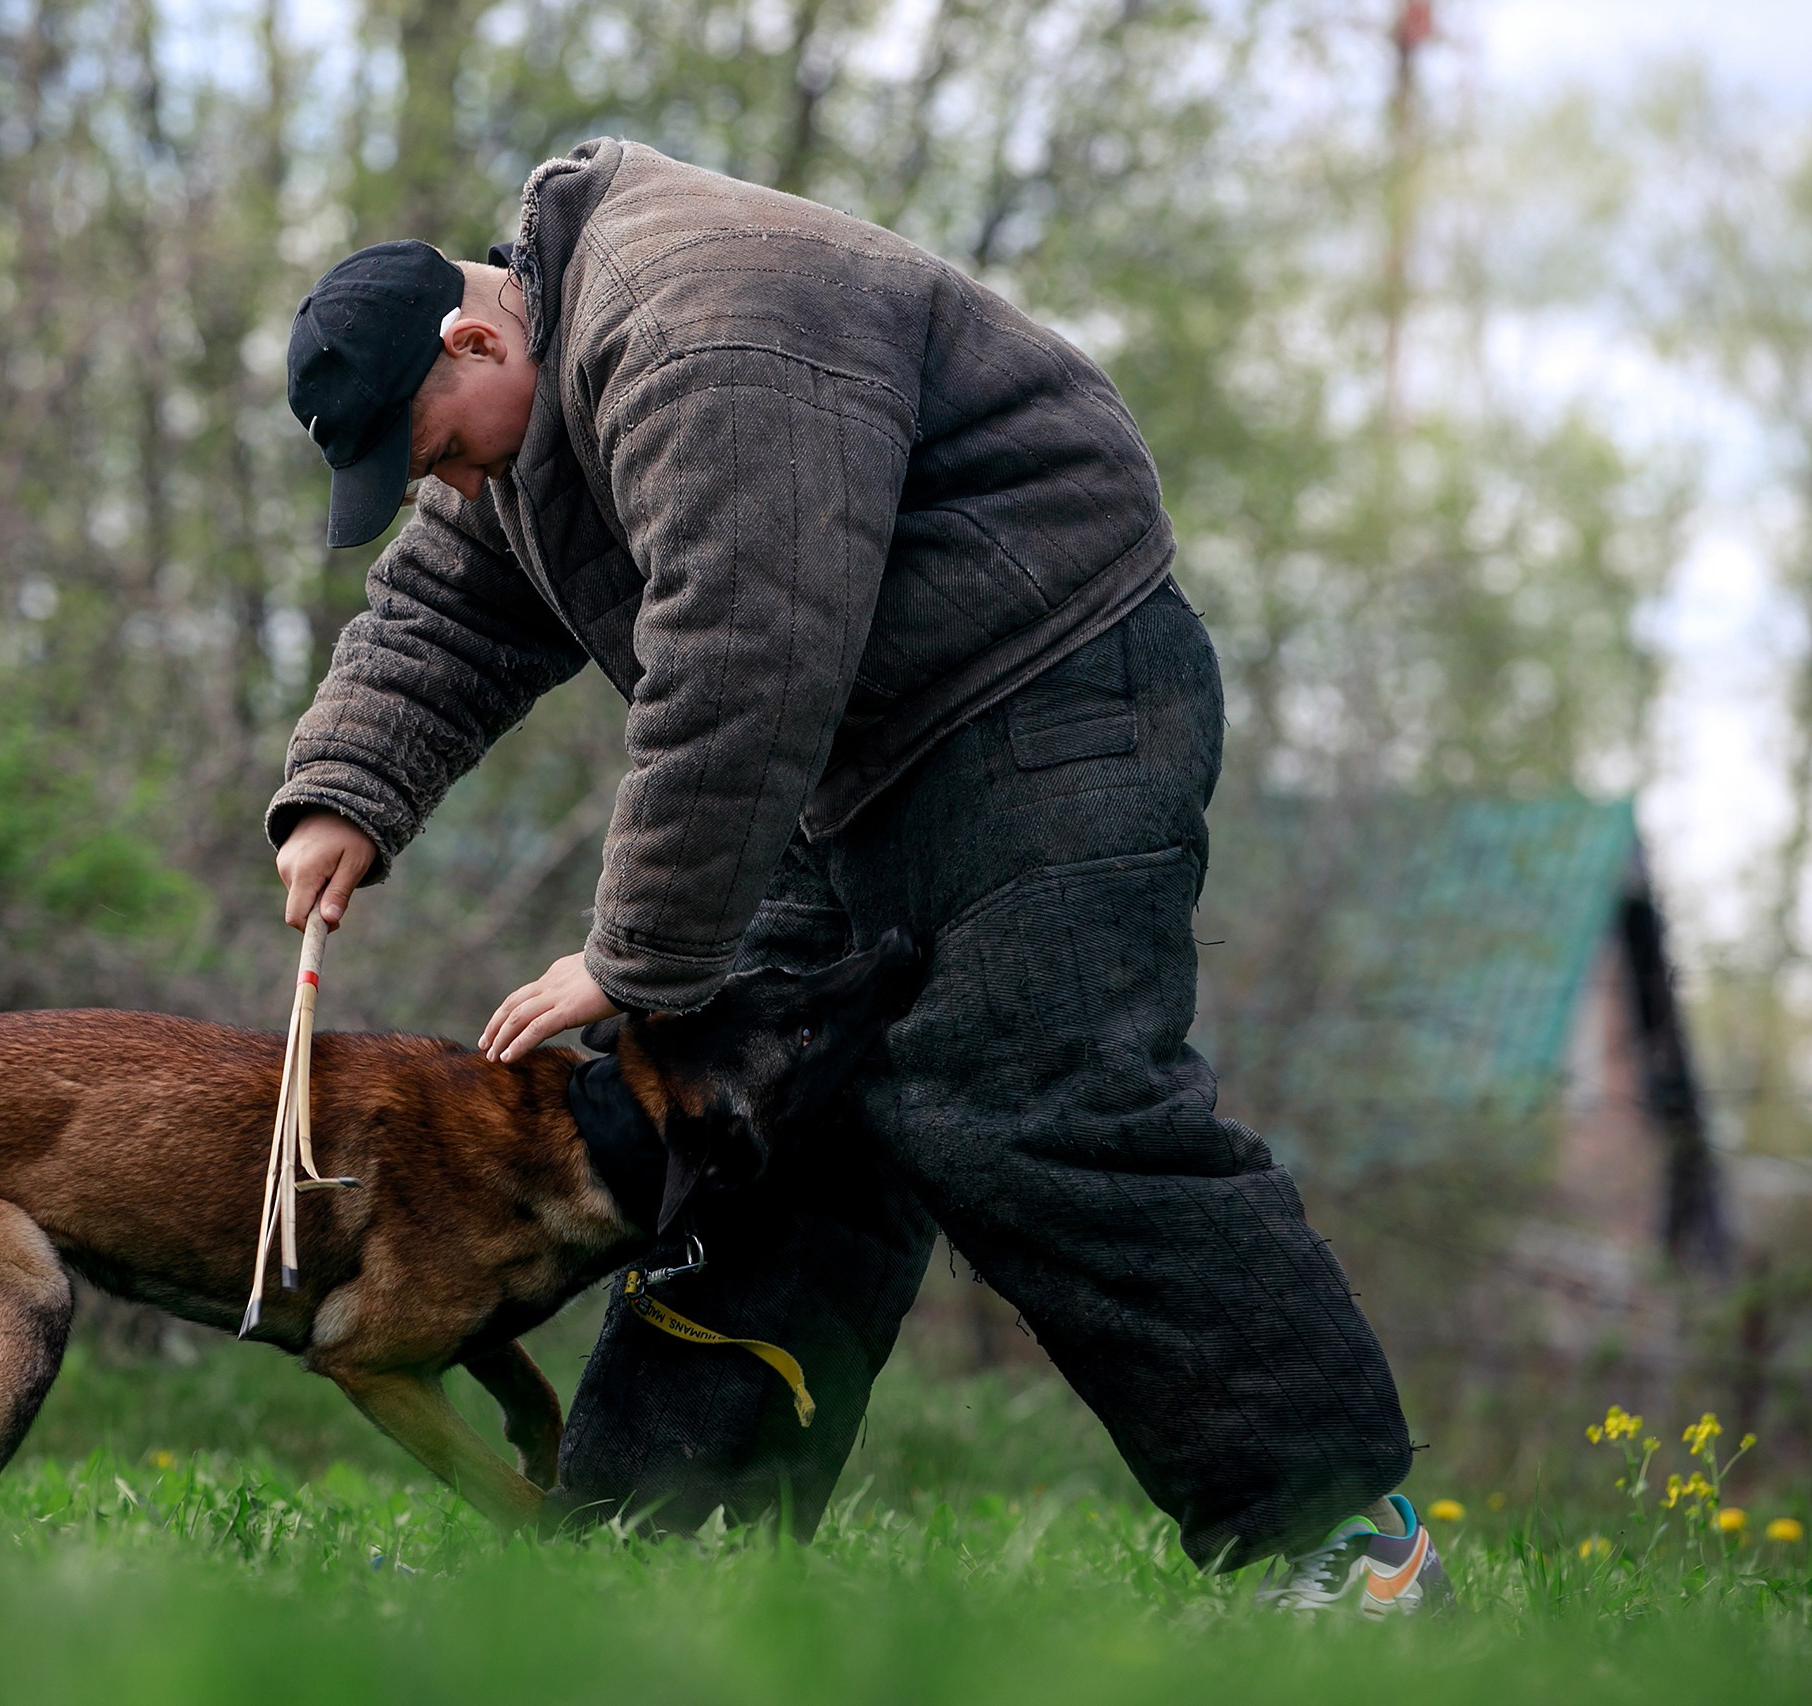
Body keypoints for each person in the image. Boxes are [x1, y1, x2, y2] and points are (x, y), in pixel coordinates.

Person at [267, 138, 1447, 1613]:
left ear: (475, 332)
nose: (449, 480)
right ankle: (654, 1558)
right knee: (749, 1108)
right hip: (868, 747)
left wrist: (632, 958)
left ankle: (1348, 1540)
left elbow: (747, 661)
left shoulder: (698, 328)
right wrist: (345, 791)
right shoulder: (533, 387)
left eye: (436, 446)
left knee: (1038, 1102)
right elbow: (455, 597)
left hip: (1057, 687)